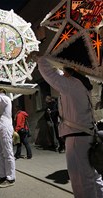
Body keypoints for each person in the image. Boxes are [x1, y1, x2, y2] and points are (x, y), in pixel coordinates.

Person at [37, 55, 103, 198]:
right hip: (86, 136)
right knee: (93, 178)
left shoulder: (71, 84)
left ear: (69, 72)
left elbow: (45, 66)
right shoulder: (80, 83)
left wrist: (40, 57)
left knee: (81, 181)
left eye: (63, 70)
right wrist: (64, 65)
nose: (61, 73)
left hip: (77, 139)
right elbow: (59, 74)